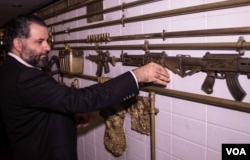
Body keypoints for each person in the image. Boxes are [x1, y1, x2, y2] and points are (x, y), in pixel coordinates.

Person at [0, 14, 170, 160]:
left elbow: (36, 112)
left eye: (47, 40)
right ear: (18, 44)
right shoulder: (25, 76)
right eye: (40, 41)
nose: (48, 47)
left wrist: (73, 115)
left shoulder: (9, 69)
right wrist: (136, 76)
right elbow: (79, 99)